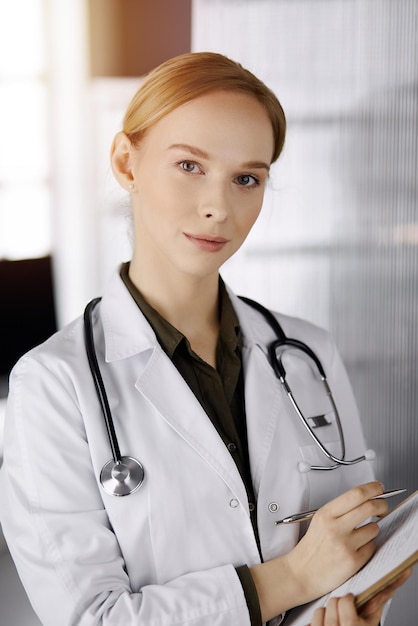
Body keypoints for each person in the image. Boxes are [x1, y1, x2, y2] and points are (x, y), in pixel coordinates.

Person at [0, 52, 411, 626]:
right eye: (190, 166)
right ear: (126, 162)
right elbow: (91, 618)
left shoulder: (309, 353)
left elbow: (351, 558)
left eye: (247, 178)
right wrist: (290, 580)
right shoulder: (52, 385)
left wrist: (360, 607)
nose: (219, 207)